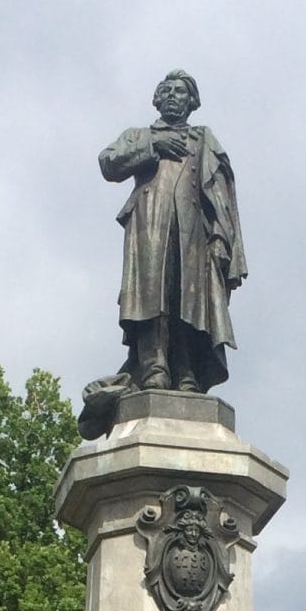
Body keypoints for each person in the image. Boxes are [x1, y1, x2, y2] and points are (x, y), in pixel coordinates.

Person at [98, 70, 246, 394]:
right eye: (166, 91)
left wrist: (221, 238)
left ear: (192, 102)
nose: (172, 96)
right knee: (151, 297)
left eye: (180, 92)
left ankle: (186, 370)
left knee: (189, 300)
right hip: (149, 225)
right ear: (156, 98)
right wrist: (153, 144)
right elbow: (108, 163)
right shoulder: (139, 135)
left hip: (193, 232)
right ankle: (154, 367)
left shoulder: (203, 141)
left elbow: (221, 197)